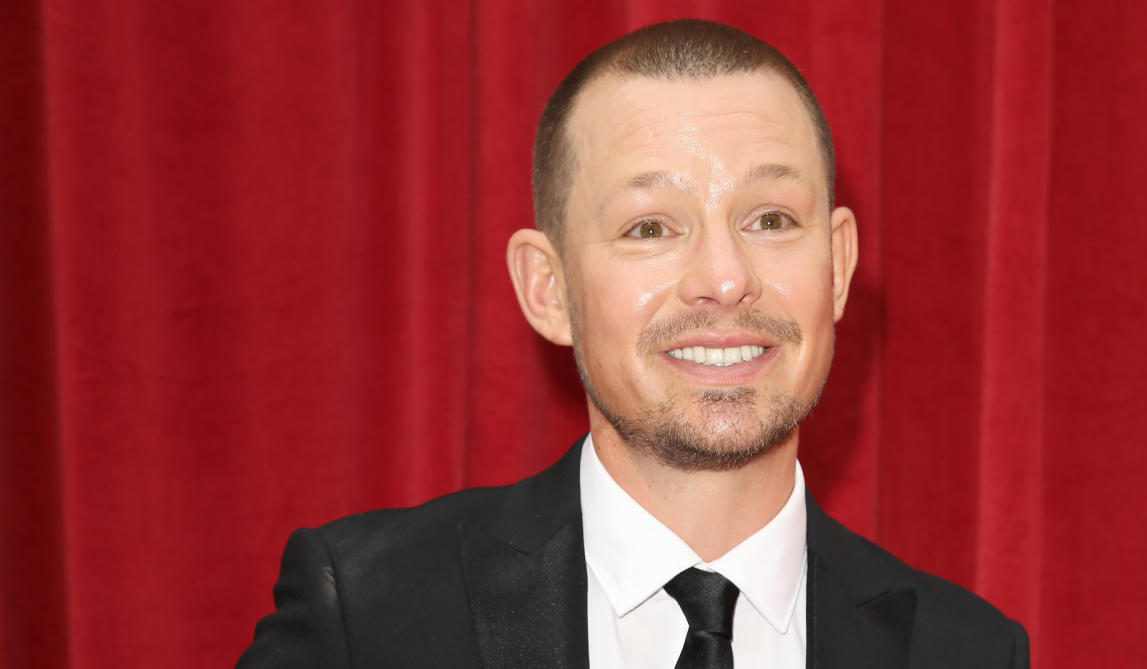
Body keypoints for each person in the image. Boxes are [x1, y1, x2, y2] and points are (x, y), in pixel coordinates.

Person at [237, 18, 1028, 669]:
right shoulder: (369, 616)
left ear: (839, 265)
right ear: (549, 289)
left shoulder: (968, 651)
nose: (724, 279)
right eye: (650, 228)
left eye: (771, 220)